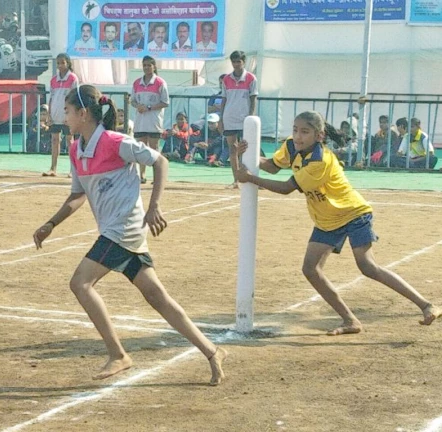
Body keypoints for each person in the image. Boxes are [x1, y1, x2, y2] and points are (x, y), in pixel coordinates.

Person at [32, 83, 227, 384]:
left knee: (80, 283)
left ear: (83, 114)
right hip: (120, 232)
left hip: (123, 229)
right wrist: (51, 223)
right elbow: (77, 195)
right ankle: (212, 351)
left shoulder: (116, 142)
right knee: (157, 297)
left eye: (67, 110)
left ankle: (118, 354)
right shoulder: (75, 149)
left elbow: (160, 161)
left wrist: (154, 207)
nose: (63, 116)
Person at [234, 111, 442, 335]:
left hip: (353, 213)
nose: (298, 136)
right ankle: (350, 321)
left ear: (319, 136)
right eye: (295, 130)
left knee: (367, 266)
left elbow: (286, 188)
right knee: (310, 269)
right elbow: (273, 166)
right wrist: (244, 155)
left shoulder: (320, 160)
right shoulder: (291, 146)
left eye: (305, 132)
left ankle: (426, 305)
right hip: (327, 220)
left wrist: (250, 178)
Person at [220, 50, 257, 188]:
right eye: (234, 62)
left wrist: (250, 116)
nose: (236, 64)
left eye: (238, 61)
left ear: (244, 62)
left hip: (245, 118)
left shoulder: (251, 78)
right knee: (232, 149)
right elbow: (224, 99)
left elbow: (253, 99)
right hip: (229, 117)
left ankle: (249, 178)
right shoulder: (226, 79)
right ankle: (236, 180)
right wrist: (221, 118)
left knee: (246, 149)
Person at [131, 56, 170, 184]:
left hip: (154, 121)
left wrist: (149, 107)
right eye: (144, 65)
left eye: (149, 65)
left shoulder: (160, 82)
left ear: (154, 66)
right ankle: (141, 175)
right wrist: (138, 106)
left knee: (154, 149)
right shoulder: (137, 83)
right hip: (140, 122)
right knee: (141, 148)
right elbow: (132, 101)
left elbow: (165, 102)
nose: (146, 68)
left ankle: (157, 176)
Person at [44, 53, 79, 176]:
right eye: (58, 63)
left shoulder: (73, 78)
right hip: (55, 114)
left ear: (68, 63)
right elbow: (51, 98)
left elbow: (75, 98)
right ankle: (53, 168)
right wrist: (49, 114)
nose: (60, 65)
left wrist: (71, 114)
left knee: (70, 141)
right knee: (55, 140)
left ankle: (72, 170)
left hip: (67, 116)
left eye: (62, 63)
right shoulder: (54, 80)